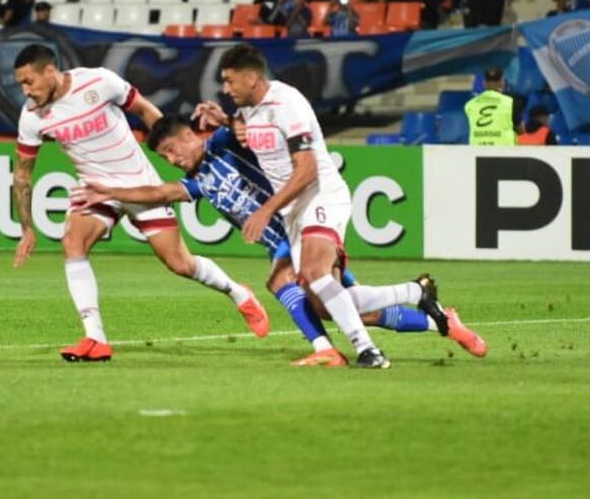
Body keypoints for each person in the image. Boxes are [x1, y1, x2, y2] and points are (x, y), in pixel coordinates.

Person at [73, 116, 486, 365]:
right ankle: (441, 319)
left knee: (280, 282)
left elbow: (242, 131)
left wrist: (230, 119)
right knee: (355, 310)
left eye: (171, 151)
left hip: (300, 227)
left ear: (188, 137)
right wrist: (109, 192)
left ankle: (327, 348)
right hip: (284, 241)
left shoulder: (222, 146)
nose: (172, 160)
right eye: (164, 158)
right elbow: (161, 194)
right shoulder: (199, 180)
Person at [10, 45, 269, 362]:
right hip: (96, 187)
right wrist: (27, 228)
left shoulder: (99, 82)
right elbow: (22, 175)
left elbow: (145, 111)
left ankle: (238, 292)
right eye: (21, 84)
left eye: (29, 82)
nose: (26, 91)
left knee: (180, 264)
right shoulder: (31, 117)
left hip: (140, 183)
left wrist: (173, 149)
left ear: (49, 71)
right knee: (73, 242)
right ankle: (95, 337)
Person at [193, 43, 401, 368]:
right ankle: (415, 293)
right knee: (319, 300)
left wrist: (265, 210)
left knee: (314, 273)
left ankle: (368, 351)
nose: (225, 88)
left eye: (230, 80)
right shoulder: (249, 109)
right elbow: (248, 131)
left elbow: (307, 170)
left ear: (252, 77)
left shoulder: (286, 102)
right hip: (294, 211)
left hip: (321, 195)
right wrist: (225, 120)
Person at [464, 67, 521, 145]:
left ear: (484, 83)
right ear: (502, 82)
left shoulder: (470, 104)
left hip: (478, 150)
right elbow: (520, 129)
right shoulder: (510, 101)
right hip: (504, 152)